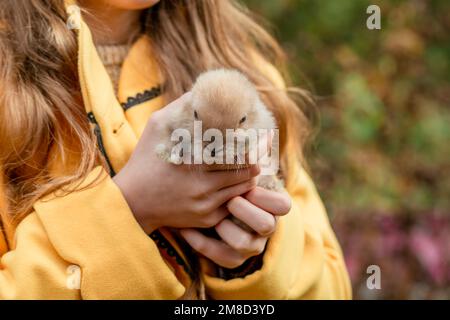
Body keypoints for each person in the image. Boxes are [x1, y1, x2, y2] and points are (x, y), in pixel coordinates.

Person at [0, 0, 351, 299]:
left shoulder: (243, 72)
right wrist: (129, 212)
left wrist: (256, 260)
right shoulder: (9, 92)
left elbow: (333, 286)